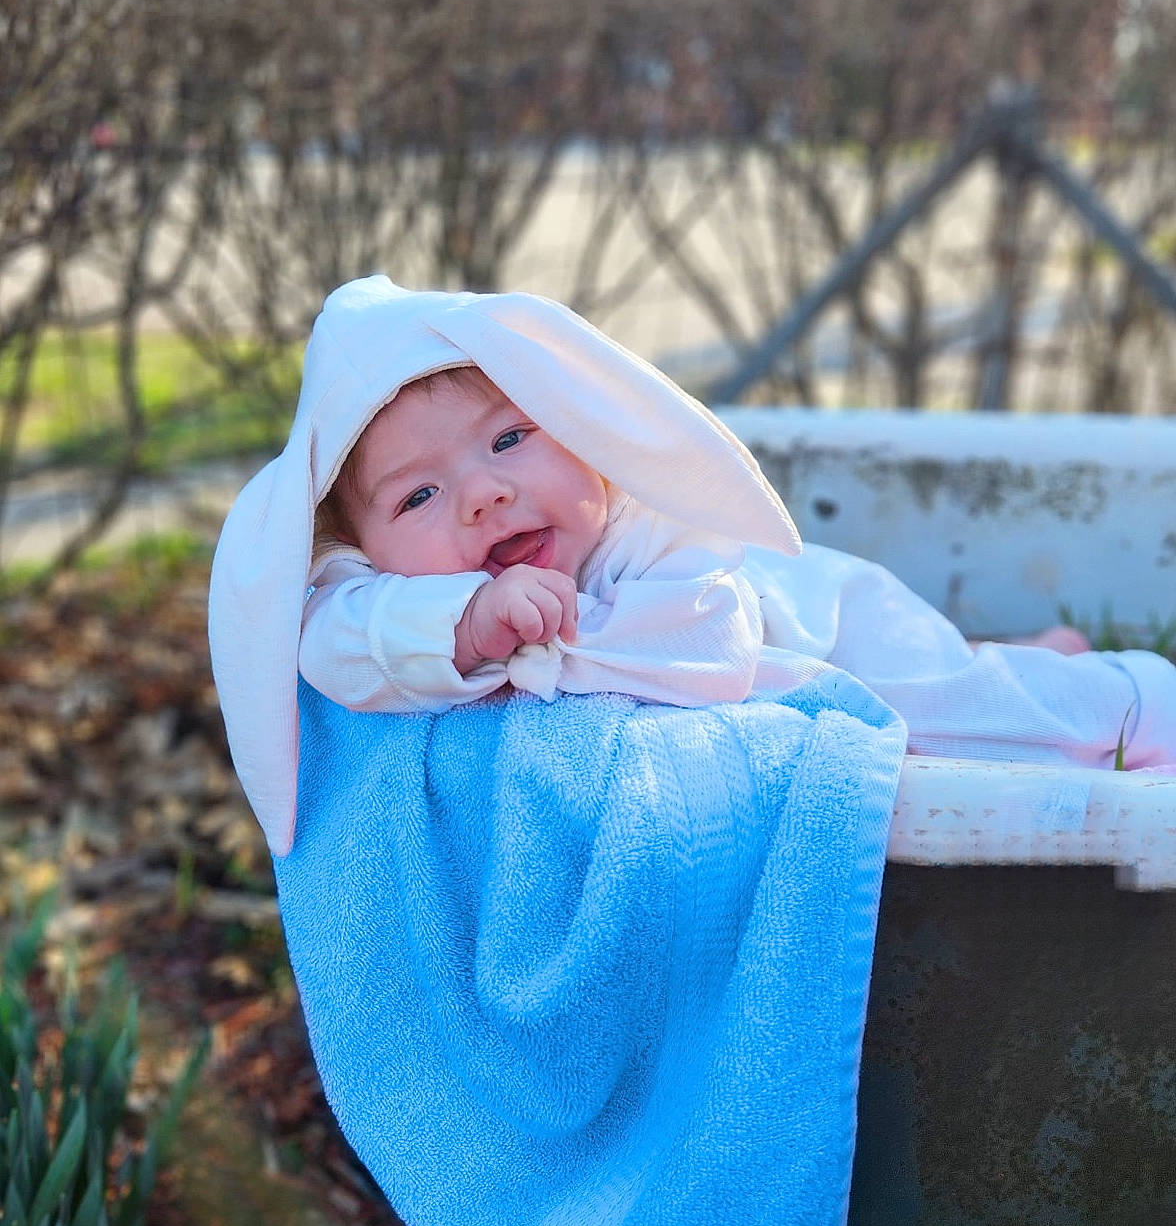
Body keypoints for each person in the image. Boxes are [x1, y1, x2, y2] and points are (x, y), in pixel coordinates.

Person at [209, 276, 1176, 859]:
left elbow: (709, 651)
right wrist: (462, 626)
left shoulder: (650, 524)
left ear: (582, 424)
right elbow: (325, 633)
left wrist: (531, 652)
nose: (481, 495)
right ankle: (1032, 648)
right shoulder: (381, 587)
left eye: (509, 437)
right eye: (416, 496)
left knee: (979, 709)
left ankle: (1130, 697)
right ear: (356, 544)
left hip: (838, 635)